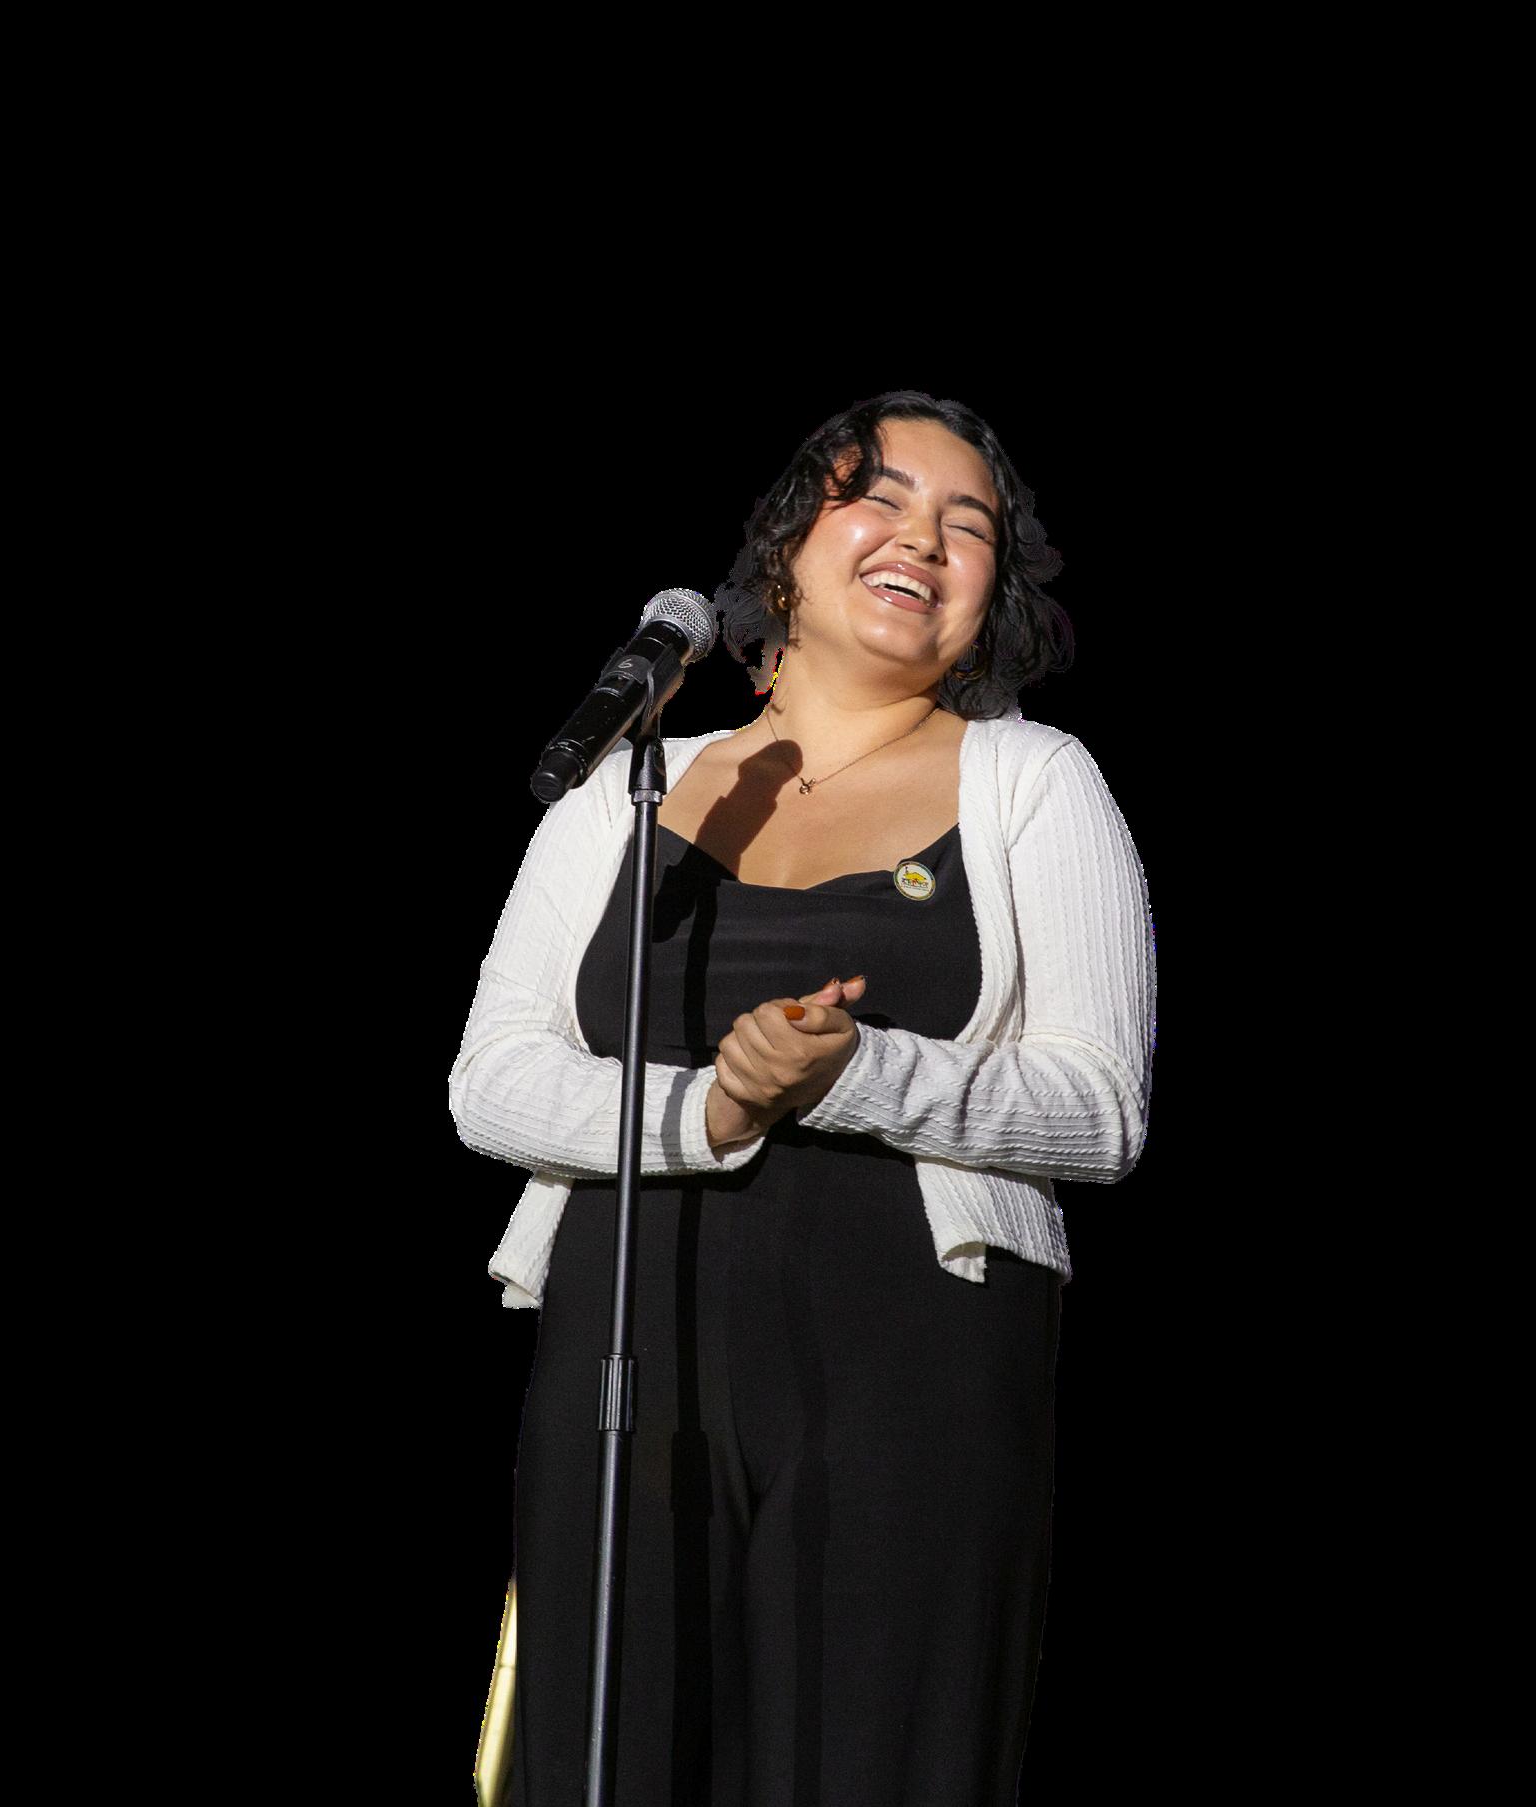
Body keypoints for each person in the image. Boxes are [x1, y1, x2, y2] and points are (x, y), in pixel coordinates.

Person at [451, 390, 1155, 1804]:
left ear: (993, 596)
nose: (923, 538)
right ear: (783, 551)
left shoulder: (1034, 781)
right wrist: (710, 1113)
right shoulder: (620, 791)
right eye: (878, 498)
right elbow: (493, 1082)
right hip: (627, 1359)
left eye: (968, 526)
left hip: (917, 1377)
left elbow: (1100, 1107)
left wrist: (855, 1072)